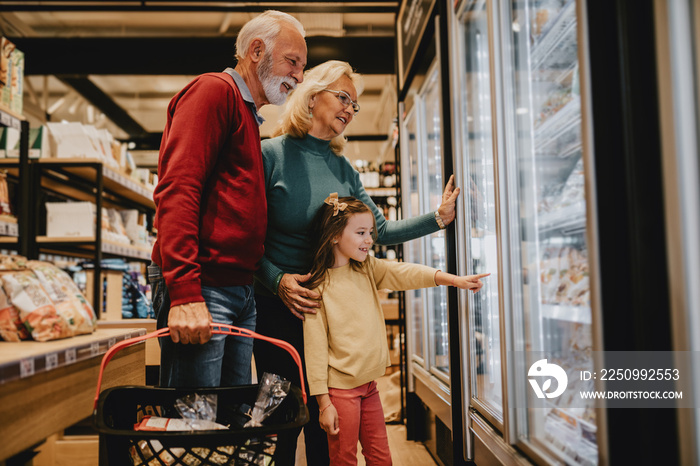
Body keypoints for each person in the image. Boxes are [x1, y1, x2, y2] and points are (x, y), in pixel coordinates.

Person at [253, 60, 461, 465]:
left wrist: (438, 218)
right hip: (276, 307)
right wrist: (277, 280)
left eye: (356, 104)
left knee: (325, 419)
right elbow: (245, 235)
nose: (350, 108)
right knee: (278, 413)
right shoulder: (270, 154)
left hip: (328, 310)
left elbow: (379, 229)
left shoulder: (343, 167)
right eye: (343, 97)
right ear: (313, 98)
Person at [148, 10, 307, 389]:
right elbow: (179, 188)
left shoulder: (249, 116)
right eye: (293, 62)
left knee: (227, 423)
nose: (299, 77)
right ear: (256, 51)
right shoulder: (214, 91)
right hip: (204, 286)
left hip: (237, 289)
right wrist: (185, 292)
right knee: (196, 423)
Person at [304, 195, 489, 465]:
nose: (368, 239)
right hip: (340, 392)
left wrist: (452, 280)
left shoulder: (366, 268)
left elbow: (405, 273)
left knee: (382, 458)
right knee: (343, 460)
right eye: (360, 233)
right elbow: (315, 349)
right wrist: (324, 403)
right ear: (334, 236)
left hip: (370, 387)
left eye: (370, 232)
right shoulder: (317, 288)